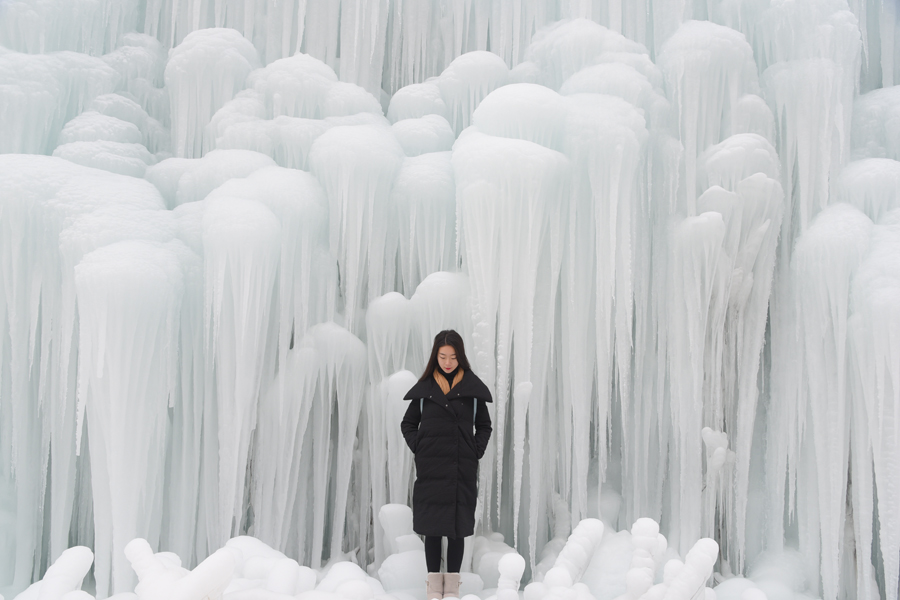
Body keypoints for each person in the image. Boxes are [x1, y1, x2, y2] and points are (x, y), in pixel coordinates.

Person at [401, 330, 493, 600]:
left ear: (460, 356)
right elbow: (408, 424)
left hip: (460, 469)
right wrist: (420, 447)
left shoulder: (473, 391)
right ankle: (433, 591)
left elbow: (484, 426)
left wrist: (474, 450)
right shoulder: (425, 391)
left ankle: (451, 590)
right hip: (431, 470)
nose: (448, 362)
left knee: (456, 530)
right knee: (432, 530)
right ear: (435, 357)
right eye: (442, 356)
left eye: (453, 356)